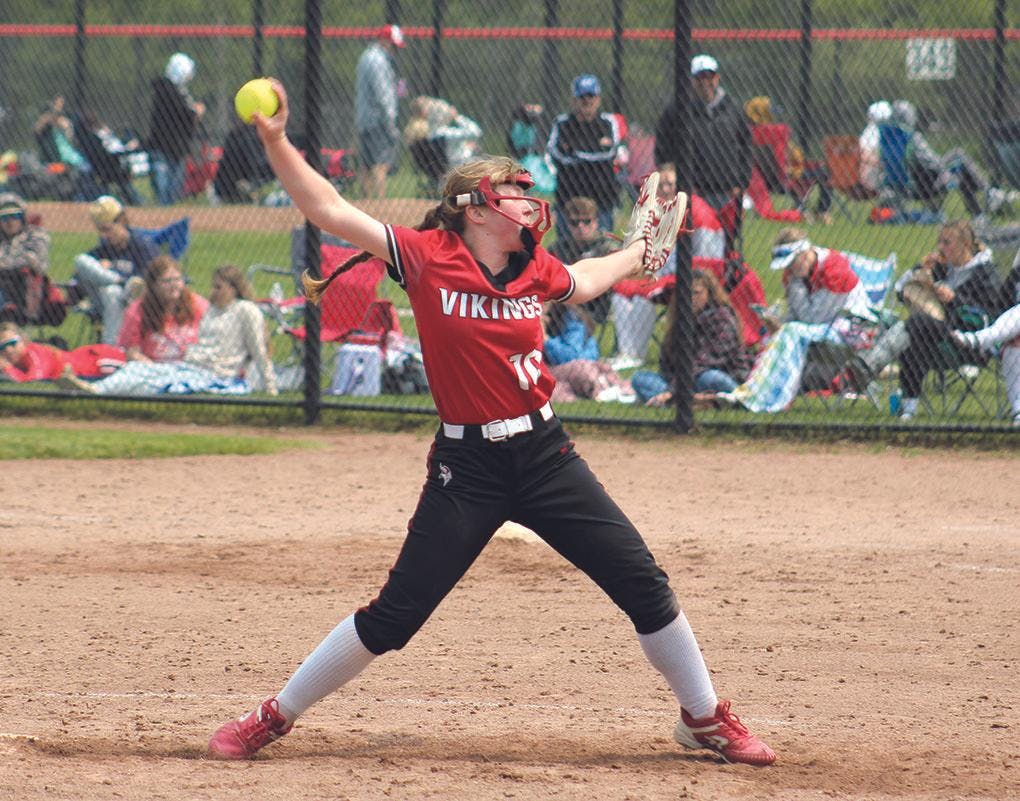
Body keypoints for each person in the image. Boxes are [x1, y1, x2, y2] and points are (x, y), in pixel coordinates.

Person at [205, 78, 775, 767]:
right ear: (474, 210)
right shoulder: (426, 255)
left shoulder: (533, 267)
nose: (528, 201)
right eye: (512, 191)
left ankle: (703, 716)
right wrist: (274, 141)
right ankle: (273, 715)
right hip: (467, 468)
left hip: (544, 453)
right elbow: (326, 207)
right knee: (396, 616)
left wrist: (638, 252)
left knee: (644, 582)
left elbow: (587, 279)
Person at [847, 220, 1003, 420]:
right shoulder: (943, 268)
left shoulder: (985, 273)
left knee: (916, 323)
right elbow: (900, 290)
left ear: (965, 244)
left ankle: (870, 366)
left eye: (947, 242)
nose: (941, 247)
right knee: (913, 339)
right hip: (938, 335)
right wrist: (920, 268)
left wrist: (955, 300)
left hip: (970, 341)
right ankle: (908, 410)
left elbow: (990, 318)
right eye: (940, 241)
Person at [713, 228, 871, 414]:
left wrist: (796, 290)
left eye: (791, 263)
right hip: (817, 332)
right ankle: (754, 392)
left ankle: (769, 398)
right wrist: (776, 322)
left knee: (790, 331)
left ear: (804, 254)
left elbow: (814, 318)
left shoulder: (834, 270)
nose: (789, 269)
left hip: (849, 332)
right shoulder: (796, 275)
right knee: (776, 335)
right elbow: (796, 315)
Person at [60, 265, 276, 396]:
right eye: (213, 286)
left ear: (234, 288)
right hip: (191, 366)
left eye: (219, 287)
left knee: (152, 380)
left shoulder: (246, 310)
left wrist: (270, 387)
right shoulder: (212, 311)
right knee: (138, 369)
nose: (213, 291)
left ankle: (96, 391)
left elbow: (259, 350)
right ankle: (94, 389)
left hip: (217, 374)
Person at [655, 54, 751, 252]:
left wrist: (741, 184)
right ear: (691, 80)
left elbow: (746, 148)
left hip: (728, 192)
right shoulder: (677, 111)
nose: (705, 82)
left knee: (727, 245)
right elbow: (663, 150)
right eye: (700, 77)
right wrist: (679, 184)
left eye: (710, 76)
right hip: (693, 193)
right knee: (692, 244)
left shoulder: (732, 109)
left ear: (717, 78)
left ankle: (724, 272)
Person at [631, 270, 753, 406]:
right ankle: (696, 401)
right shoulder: (680, 319)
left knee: (711, 378)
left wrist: (672, 391)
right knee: (640, 378)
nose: (691, 298)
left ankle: (675, 401)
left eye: (696, 293)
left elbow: (704, 363)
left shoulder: (721, 317)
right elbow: (666, 367)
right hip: (683, 383)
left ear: (709, 294)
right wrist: (673, 386)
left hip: (713, 376)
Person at [891, 100, 1011, 219]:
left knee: (959, 160)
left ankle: (986, 200)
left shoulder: (890, 139)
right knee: (959, 163)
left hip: (910, 186)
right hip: (928, 186)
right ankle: (986, 196)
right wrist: (943, 162)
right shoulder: (913, 138)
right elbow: (934, 164)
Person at [71, 195, 160, 344]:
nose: (104, 236)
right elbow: (77, 281)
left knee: (112, 292)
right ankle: (119, 281)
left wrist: (111, 269)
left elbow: (151, 279)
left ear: (122, 221)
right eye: (100, 231)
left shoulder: (142, 246)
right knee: (81, 261)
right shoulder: (102, 250)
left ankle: (111, 348)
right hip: (102, 304)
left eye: (107, 229)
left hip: (134, 304)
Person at [546, 74, 622, 235]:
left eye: (591, 96)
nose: (587, 101)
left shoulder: (608, 122)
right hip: (568, 197)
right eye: (582, 97)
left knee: (603, 245)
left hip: (602, 198)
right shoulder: (562, 123)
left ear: (598, 99)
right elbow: (556, 154)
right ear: (574, 100)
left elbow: (610, 153)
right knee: (567, 245)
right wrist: (595, 148)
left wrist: (574, 152)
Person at [952, 255, 1020, 426]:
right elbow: (1002, 306)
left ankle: (977, 339)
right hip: (1015, 335)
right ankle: (1019, 412)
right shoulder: (1017, 275)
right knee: (1013, 347)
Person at [744, 95, 833, 224]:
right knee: (825, 172)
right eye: (770, 113)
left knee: (814, 171)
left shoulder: (748, 132)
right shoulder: (775, 132)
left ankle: (801, 208)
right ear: (763, 113)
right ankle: (821, 211)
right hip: (783, 178)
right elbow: (786, 159)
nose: (774, 117)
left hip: (766, 179)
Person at [116, 254, 208, 363]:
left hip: (190, 365)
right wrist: (154, 368)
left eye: (177, 279)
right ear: (153, 285)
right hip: (152, 366)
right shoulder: (137, 311)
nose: (173, 285)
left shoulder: (196, 304)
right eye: (167, 281)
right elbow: (131, 352)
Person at [542, 301, 635, 404]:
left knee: (585, 369)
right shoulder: (534, 320)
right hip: (552, 370)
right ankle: (601, 386)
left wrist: (545, 339)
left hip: (579, 364)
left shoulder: (569, 317)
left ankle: (603, 386)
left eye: (544, 302)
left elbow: (572, 356)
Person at [147, 52, 205, 205]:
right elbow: (187, 114)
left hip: (170, 145)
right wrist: (197, 111)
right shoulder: (172, 91)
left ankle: (165, 209)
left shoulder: (169, 90)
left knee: (169, 191)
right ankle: (164, 209)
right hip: (171, 146)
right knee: (167, 192)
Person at [355, 24, 405, 199]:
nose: (394, 50)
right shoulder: (379, 60)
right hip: (379, 119)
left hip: (364, 118)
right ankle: (381, 203)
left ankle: (366, 202)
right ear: (384, 40)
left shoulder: (366, 56)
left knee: (366, 163)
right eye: (393, 45)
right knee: (380, 162)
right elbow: (382, 93)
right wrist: (390, 120)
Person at [0, 321, 125, 383]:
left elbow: (35, 383)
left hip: (98, 361)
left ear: (24, 340)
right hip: (86, 364)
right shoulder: (19, 362)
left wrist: (7, 368)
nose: (8, 350)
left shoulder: (35, 353)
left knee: (130, 373)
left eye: (12, 343)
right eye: (2, 347)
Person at [0, 192, 57, 325]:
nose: (10, 222)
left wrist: (5, 263)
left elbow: (33, 261)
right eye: (4, 217)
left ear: (23, 217)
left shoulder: (36, 235)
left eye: (15, 216)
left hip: (25, 292)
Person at [73, 106, 141, 204]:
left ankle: (134, 201)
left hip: (113, 163)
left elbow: (115, 145)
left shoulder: (100, 134)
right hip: (109, 166)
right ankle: (135, 201)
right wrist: (127, 148)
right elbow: (109, 152)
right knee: (123, 182)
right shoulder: (94, 138)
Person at [213, 121, 274, 203]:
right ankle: (248, 191)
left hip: (251, 173)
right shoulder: (236, 135)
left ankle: (251, 190)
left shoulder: (256, 134)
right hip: (236, 176)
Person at [33, 94, 86, 169]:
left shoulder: (68, 118)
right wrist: (55, 118)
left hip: (71, 157)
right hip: (53, 161)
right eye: (59, 103)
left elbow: (72, 137)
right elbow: (38, 128)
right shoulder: (46, 121)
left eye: (63, 103)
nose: (61, 105)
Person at [859, 100, 892, 193]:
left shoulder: (882, 130)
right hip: (871, 176)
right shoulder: (873, 131)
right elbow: (864, 155)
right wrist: (884, 162)